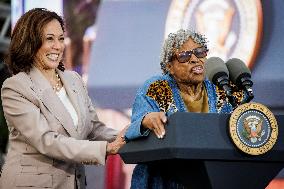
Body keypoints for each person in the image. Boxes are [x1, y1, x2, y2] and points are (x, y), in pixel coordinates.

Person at [0, 8, 126, 189]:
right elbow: (47, 141)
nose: (58, 46)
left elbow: (93, 128)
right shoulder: (16, 87)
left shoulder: (73, 79)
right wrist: (105, 149)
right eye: (49, 39)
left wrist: (126, 137)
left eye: (60, 38)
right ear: (31, 42)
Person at [125, 29, 245, 188]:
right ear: (170, 67)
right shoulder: (157, 87)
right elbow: (133, 128)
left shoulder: (220, 87)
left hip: (214, 178)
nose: (195, 59)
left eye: (200, 52)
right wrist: (145, 121)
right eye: (184, 56)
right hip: (166, 180)